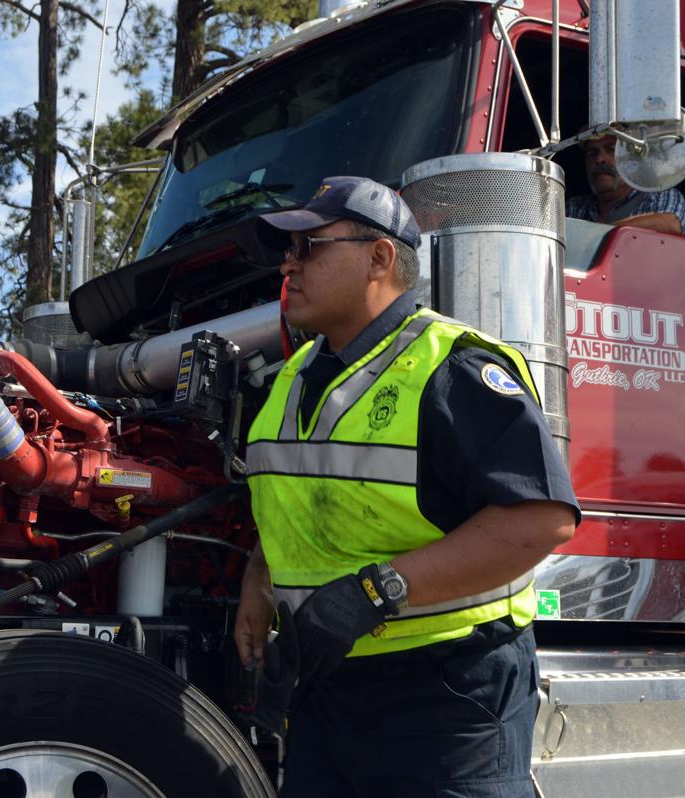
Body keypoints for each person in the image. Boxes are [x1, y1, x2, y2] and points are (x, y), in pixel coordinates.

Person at [237, 176, 580, 797]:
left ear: (379, 258)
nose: (288, 265)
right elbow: (300, 497)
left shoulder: (454, 367)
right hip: (328, 691)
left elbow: (539, 521)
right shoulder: (294, 376)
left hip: (447, 692)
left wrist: (375, 592)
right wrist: (258, 583)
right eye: (287, 251)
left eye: (308, 247)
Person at [566, 134, 685, 235]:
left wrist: (596, 236)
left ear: (633, 160)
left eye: (611, 150)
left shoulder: (658, 195)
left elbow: (671, 224)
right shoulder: (574, 207)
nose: (599, 159)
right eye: (592, 154)